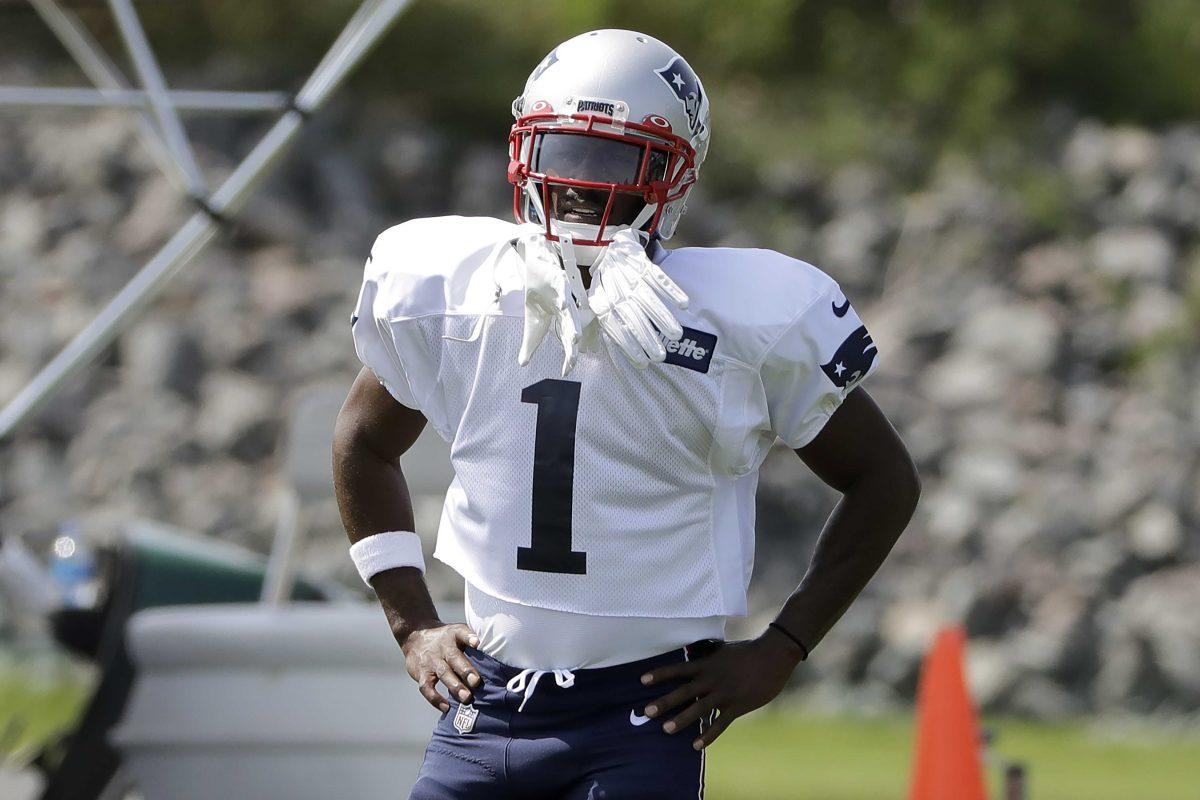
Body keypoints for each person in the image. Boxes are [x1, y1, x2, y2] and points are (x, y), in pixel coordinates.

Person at [333, 28, 920, 800]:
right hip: (489, 699)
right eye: (561, 152)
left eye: (615, 159)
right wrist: (411, 623)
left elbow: (884, 479)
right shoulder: (459, 289)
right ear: (524, 154)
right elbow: (362, 444)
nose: (580, 184)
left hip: (643, 714)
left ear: (673, 175)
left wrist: (782, 648)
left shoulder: (734, 317)